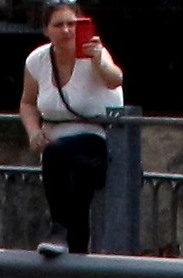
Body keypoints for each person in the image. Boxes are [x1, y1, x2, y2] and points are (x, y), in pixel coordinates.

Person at [19, 2, 125, 258]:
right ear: (47, 30)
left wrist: (99, 59)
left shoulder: (94, 54)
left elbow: (115, 79)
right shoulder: (37, 60)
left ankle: (58, 229)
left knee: (61, 157)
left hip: (93, 140)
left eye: (71, 24)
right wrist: (34, 131)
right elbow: (28, 102)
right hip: (57, 145)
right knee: (75, 193)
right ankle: (75, 260)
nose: (66, 31)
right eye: (58, 25)